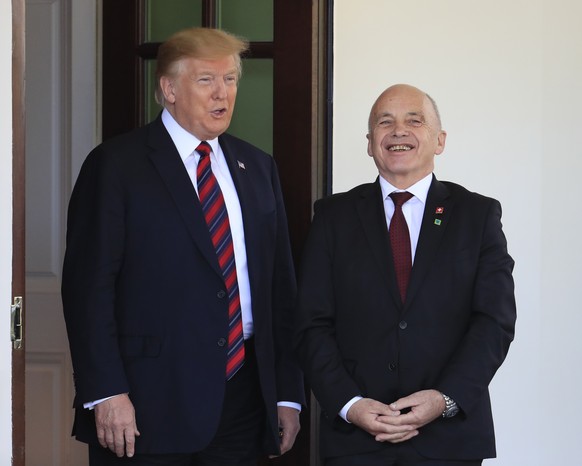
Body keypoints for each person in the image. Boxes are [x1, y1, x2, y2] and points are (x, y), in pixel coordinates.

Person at [62, 27, 304, 465]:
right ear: (169, 89)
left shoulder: (258, 167)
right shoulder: (116, 166)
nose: (222, 94)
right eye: (206, 80)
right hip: (146, 403)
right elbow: (87, 289)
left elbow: (278, 290)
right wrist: (106, 392)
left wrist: (287, 393)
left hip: (244, 399)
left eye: (230, 79)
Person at [294, 84, 516, 466]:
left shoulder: (476, 216)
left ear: (439, 140)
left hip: (449, 438)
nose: (398, 131)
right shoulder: (332, 217)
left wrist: (444, 398)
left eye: (414, 121)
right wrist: (349, 404)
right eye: (385, 122)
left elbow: (494, 321)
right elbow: (311, 323)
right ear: (369, 142)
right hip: (356, 438)